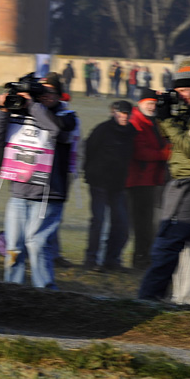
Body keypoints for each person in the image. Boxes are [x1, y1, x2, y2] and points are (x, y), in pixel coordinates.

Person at [0, 72, 79, 289]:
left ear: (59, 95)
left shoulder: (68, 116)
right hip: (19, 193)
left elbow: (55, 129)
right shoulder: (21, 112)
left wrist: (33, 106)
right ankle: (13, 290)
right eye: (42, 92)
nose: (45, 96)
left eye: (50, 92)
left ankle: (45, 293)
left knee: (37, 244)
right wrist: (2, 110)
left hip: (49, 195)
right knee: (14, 247)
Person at [138, 57, 190, 303]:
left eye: (183, 90)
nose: (180, 95)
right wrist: (167, 114)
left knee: (168, 240)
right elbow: (176, 136)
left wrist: (167, 120)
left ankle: (148, 299)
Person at [82, 100, 135, 271]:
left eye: (127, 114)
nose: (125, 117)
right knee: (99, 221)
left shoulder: (131, 132)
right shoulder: (102, 130)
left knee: (121, 223)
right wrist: (89, 173)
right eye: (122, 113)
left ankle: (112, 260)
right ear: (114, 112)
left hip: (118, 185)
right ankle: (91, 260)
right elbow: (89, 149)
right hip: (99, 182)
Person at [127, 88, 171, 270]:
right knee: (141, 224)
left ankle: (144, 257)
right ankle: (140, 259)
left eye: (154, 103)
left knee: (148, 222)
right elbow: (139, 151)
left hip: (151, 179)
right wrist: (163, 154)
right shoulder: (136, 122)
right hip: (139, 181)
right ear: (140, 103)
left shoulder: (152, 121)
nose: (152, 107)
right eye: (149, 103)